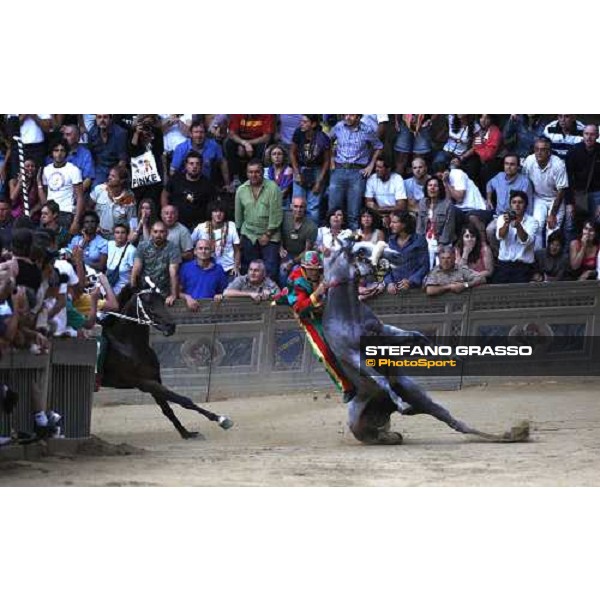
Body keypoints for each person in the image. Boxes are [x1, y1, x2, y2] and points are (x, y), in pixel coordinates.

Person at [275, 250, 355, 399]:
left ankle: (361, 378)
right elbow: (300, 308)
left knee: (346, 344)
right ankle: (347, 387)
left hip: (330, 315)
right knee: (324, 353)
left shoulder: (327, 273)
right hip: (310, 319)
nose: (313, 273)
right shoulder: (296, 280)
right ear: (304, 268)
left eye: (316, 270)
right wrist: (317, 293)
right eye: (310, 270)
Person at [328, 114, 383, 230]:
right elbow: (327, 141)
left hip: (357, 172)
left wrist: (371, 165)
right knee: (333, 210)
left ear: (358, 117)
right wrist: (331, 159)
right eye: (346, 114)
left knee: (354, 211)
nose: (347, 117)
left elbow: (379, 146)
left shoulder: (366, 129)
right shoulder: (338, 127)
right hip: (338, 169)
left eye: (351, 115)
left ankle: (352, 241)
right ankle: (332, 239)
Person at [235, 158, 283, 281]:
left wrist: (267, 234)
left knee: (270, 270)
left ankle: (269, 297)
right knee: (248, 269)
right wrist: (240, 234)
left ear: (262, 172)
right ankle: (249, 296)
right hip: (249, 233)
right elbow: (239, 215)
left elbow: (276, 215)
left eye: (257, 172)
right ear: (247, 173)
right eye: (250, 172)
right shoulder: (241, 190)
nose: (254, 175)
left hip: (270, 234)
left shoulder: (273, 188)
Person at [522, 137, 569, 250]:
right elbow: (525, 182)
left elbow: (561, 190)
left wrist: (552, 214)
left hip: (555, 197)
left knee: (552, 228)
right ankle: (538, 258)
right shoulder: (529, 160)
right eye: (536, 149)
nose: (539, 152)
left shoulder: (558, 164)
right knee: (536, 226)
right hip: (538, 197)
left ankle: (552, 259)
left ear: (549, 152)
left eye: (543, 150)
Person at [485, 153, 534, 254]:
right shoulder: (499, 176)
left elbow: (527, 204)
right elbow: (489, 185)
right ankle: (498, 254)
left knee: (514, 235)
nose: (509, 167)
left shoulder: (525, 182)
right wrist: (489, 199)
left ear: (518, 167)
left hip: (516, 217)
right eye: (506, 164)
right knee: (490, 230)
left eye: (512, 164)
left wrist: (523, 221)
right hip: (499, 216)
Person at [289, 114, 331, 224]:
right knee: (297, 202)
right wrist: (296, 173)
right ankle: (296, 231)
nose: (301, 124)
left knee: (313, 206)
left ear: (313, 124)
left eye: (305, 122)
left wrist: (319, 181)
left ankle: (312, 234)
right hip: (301, 168)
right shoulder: (298, 133)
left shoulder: (323, 138)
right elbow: (292, 153)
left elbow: (327, 161)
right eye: (301, 121)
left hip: (317, 170)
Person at [491, 191, 539, 284]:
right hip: (504, 265)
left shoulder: (532, 222)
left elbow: (526, 240)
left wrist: (518, 226)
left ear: (525, 205)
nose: (517, 205)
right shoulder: (502, 218)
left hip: (523, 266)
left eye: (520, 202)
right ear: (510, 205)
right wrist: (506, 223)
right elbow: (500, 236)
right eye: (514, 202)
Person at [161, 150, 216, 231]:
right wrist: (166, 213)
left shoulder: (207, 184)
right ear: (186, 165)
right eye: (191, 163)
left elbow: (212, 206)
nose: (194, 166)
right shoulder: (176, 179)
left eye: (197, 164)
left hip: (199, 226)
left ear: (201, 166)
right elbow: (164, 195)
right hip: (177, 224)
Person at [170, 120, 232, 190]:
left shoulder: (214, 146)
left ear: (205, 134)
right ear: (190, 134)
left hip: (206, 184)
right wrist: (175, 188)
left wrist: (227, 184)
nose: (199, 135)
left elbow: (223, 162)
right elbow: (173, 170)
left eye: (201, 132)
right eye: (196, 132)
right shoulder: (181, 148)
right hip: (185, 184)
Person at [131, 220, 181, 306]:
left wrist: (173, 295)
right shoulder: (142, 246)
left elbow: (173, 273)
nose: (158, 235)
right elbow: (136, 269)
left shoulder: (173, 248)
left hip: (163, 292)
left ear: (167, 233)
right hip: (144, 290)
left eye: (162, 232)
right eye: (155, 232)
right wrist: (133, 290)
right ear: (151, 232)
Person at [40, 140, 84, 234]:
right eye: (56, 150)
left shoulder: (73, 170)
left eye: (62, 150)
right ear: (51, 153)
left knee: (63, 245)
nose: (59, 153)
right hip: (49, 212)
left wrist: (76, 221)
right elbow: (46, 194)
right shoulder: (46, 170)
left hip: (66, 212)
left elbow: (80, 197)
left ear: (66, 152)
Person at [191, 200, 241, 279]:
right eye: (215, 211)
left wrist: (236, 267)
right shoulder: (201, 227)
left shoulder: (231, 226)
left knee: (231, 290)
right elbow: (190, 246)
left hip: (229, 269)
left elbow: (237, 250)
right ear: (210, 213)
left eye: (221, 211)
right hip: (208, 268)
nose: (218, 214)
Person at [383, 211, 430, 294]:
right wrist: (389, 282)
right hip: (394, 289)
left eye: (394, 222)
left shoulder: (419, 240)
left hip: (414, 289)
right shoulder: (391, 241)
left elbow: (424, 266)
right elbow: (386, 266)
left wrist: (410, 281)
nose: (391, 225)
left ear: (404, 224)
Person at [416, 175, 457, 268]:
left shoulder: (447, 204)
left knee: (441, 266)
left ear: (440, 189)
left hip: (442, 240)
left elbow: (449, 227)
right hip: (426, 240)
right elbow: (419, 225)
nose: (432, 188)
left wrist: (442, 244)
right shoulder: (422, 203)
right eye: (430, 185)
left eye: (435, 186)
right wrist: (419, 241)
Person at [279, 196, 318, 287]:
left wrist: (292, 262)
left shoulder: (311, 227)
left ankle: (293, 297)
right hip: (285, 253)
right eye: (296, 206)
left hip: (300, 257)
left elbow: (307, 251)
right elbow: (277, 233)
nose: (298, 209)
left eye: (301, 207)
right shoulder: (284, 217)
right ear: (291, 206)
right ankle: (282, 296)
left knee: (295, 272)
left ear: (305, 208)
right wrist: (280, 247)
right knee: (282, 271)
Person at [179, 239, 229, 308]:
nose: (203, 251)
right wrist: (187, 298)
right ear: (195, 252)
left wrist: (220, 295)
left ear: (211, 252)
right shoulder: (185, 268)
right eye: (200, 248)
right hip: (188, 309)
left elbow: (225, 291)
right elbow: (177, 292)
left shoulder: (218, 269)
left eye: (206, 249)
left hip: (211, 310)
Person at [90, 165, 137, 239]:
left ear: (121, 181)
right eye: (109, 175)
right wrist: (93, 226)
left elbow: (132, 219)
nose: (109, 178)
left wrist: (132, 235)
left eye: (113, 176)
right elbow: (88, 208)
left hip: (117, 237)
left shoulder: (129, 197)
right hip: (98, 235)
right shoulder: (99, 189)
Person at [565, 123, 600, 221]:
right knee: (571, 221)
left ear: (598, 136)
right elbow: (567, 178)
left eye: (592, 134)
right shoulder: (573, 151)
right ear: (583, 135)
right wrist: (569, 203)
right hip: (579, 193)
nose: (589, 137)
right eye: (586, 134)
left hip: (597, 193)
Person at [226, 114, 275, 181]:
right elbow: (231, 133)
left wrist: (248, 143)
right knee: (229, 143)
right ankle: (235, 178)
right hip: (241, 140)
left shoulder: (267, 114)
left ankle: (258, 177)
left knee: (264, 146)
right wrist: (244, 143)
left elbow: (266, 137)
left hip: (258, 141)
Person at [364, 157, 408, 227]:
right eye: (376, 167)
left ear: (388, 169)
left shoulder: (397, 178)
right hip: (378, 214)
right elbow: (368, 203)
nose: (376, 169)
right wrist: (382, 214)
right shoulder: (372, 179)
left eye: (380, 167)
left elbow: (401, 206)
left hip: (395, 214)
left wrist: (379, 209)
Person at [87, 114, 128, 185]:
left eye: (105, 117)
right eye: (99, 117)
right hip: (100, 169)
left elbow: (122, 160)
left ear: (110, 119)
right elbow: (91, 157)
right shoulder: (92, 132)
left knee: (115, 187)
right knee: (97, 188)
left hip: (116, 167)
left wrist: (114, 176)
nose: (102, 120)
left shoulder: (120, 133)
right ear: (96, 119)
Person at [62, 124, 95, 194]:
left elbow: (88, 179)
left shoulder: (85, 154)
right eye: (64, 135)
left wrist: (76, 194)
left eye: (68, 135)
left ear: (77, 137)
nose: (64, 137)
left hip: (78, 192)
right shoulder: (58, 152)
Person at [8, 157, 43, 222]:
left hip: (32, 217)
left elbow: (42, 202)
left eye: (32, 166)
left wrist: (32, 211)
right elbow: (12, 198)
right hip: (16, 216)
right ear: (21, 169)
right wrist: (20, 183)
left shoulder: (36, 183)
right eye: (27, 166)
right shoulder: (13, 181)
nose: (30, 168)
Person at [106, 223, 136, 294]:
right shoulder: (110, 244)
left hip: (122, 289)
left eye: (123, 232)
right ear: (113, 234)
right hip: (108, 286)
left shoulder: (131, 250)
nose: (120, 235)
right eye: (117, 232)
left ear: (127, 235)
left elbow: (133, 272)